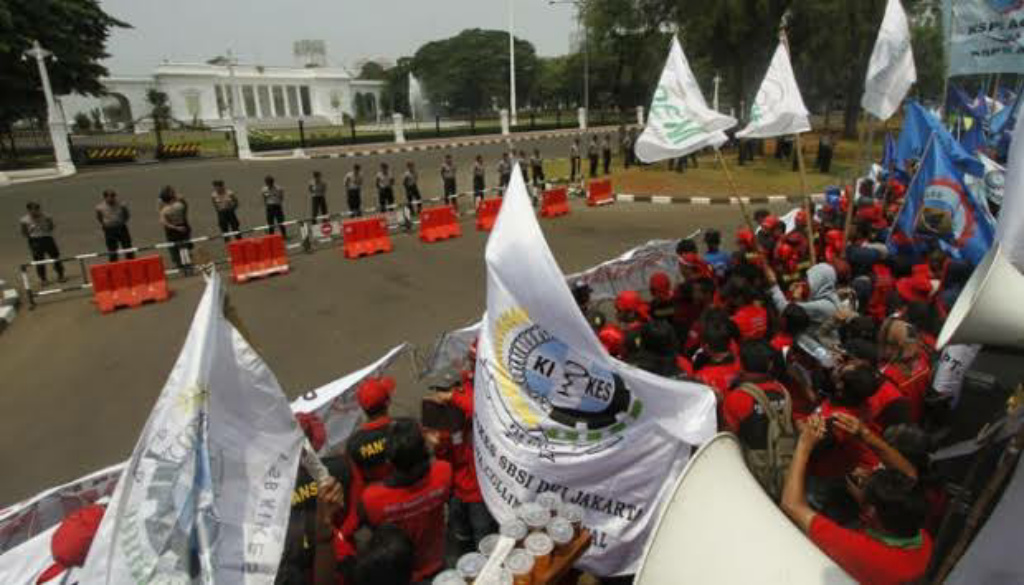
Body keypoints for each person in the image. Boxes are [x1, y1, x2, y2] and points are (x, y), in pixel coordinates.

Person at [782, 416, 932, 585]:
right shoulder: (919, 535)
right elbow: (910, 474)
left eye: (864, 488)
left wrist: (804, 445)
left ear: (870, 512)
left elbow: (792, 505)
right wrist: (864, 433)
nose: (863, 474)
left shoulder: (864, 552)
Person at [424, 344, 497, 556]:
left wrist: (453, 398)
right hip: (456, 489)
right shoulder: (457, 399)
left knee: (484, 541)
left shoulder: (487, 394)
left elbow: (479, 410)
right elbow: (443, 452)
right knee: (460, 536)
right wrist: (438, 445)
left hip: (480, 489)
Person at [359, 419, 452, 583]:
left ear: (389, 462)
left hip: (403, 574)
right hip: (438, 561)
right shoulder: (443, 472)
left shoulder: (371, 499)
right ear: (424, 450)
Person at [280, 413, 358, 585]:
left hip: (299, 558)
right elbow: (354, 510)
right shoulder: (338, 468)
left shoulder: (277, 491)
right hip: (334, 548)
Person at [346, 377, 401, 484]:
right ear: (388, 402)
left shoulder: (354, 444)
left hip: (380, 495)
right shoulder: (406, 427)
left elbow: (358, 482)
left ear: (363, 408)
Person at [20, 202, 65, 284]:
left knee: (55, 257)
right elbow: (24, 232)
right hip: (35, 240)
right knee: (39, 261)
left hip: (47, 238)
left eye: (37, 209)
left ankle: (61, 276)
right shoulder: (24, 220)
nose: (36, 212)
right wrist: (32, 233)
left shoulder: (46, 217)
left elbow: (51, 227)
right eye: (33, 210)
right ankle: (43, 279)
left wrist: (46, 228)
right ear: (29, 210)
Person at [158, 186, 193, 272]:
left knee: (174, 248)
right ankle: (188, 265)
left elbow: (163, 222)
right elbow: (186, 208)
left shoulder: (164, 210)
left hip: (172, 230)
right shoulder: (180, 205)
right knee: (184, 247)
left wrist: (176, 228)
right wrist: (182, 200)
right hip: (183, 226)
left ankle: (180, 265)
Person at [95, 190, 134, 262]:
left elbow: (126, 215)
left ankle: (131, 262)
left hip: (121, 228)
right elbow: (99, 218)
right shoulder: (99, 208)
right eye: (110, 196)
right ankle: (113, 265)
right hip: (109, 230)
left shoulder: (122, 205)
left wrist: (121, 222)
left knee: (127, 247)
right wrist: (106, 224)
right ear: (105, 197)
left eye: (113, 196)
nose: (112, 198)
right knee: (112, 250)